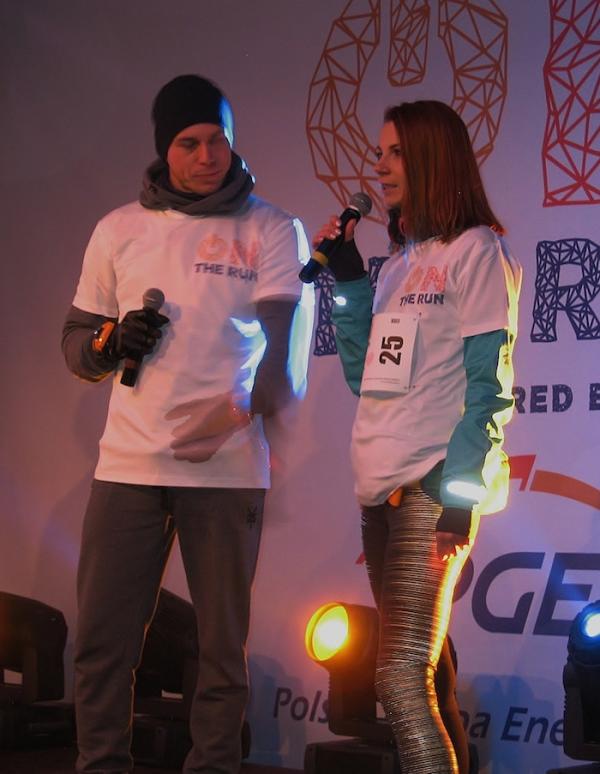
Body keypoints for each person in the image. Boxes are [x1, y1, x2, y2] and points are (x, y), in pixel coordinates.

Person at [62, 74, 304, 774]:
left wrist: (233, 414)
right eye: (189, 143)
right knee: (103, 644)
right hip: (127, 468)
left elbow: (285, 362)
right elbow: (75, 348)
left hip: (226, 470)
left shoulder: (271, 228)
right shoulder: (118, 229)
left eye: (217, 140)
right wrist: (110, 342)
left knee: (220, 653)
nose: (206, 156)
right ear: (164, 149)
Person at [313, 100, 521, 773]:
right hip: (379, 487)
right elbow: (365, 375)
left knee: (399, 678)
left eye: (395, 152)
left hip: (431, 488)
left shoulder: (477, 251)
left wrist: (457, 497)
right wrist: (349, 279)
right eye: (380, 153)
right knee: (423, 677)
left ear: (433, 157)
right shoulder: (401, 263)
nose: (380, 165)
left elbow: (489, 386)